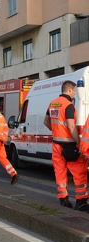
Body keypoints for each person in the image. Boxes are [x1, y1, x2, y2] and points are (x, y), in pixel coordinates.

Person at [44, 80, 89, 211]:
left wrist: (57, 131)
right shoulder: (68, 105)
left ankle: (63, 199)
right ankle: (81, 202)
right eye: (74, 91)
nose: (75, 93)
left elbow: (46, 122)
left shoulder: (53, 103)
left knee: (59, 171)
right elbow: (70, 126)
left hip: (56, 144)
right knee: (79, 172)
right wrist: (80, 144)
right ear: (69, 90)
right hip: (69, 145)